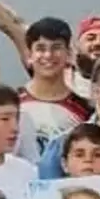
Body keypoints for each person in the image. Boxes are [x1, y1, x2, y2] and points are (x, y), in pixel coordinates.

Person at [17, 17, 92, 153]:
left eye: (56, 47)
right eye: (40, 48)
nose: (48, 55)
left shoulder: (86, 110)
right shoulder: (13, 103)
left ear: (69, 54)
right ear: (29, 55)